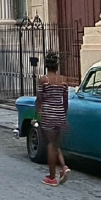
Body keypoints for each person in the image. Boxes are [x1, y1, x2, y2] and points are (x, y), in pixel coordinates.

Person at [35, 52, 70, 186]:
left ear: (46, 66)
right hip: (60, 113)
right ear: (57, 66)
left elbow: (40, 99)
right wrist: (64, 115)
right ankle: (64, 167)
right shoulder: (63, 80)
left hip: (48, 114)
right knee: (55, 143)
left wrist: (36, 114)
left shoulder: (43, 80)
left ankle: (51, 177)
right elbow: (65, 101)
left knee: (50, 144)